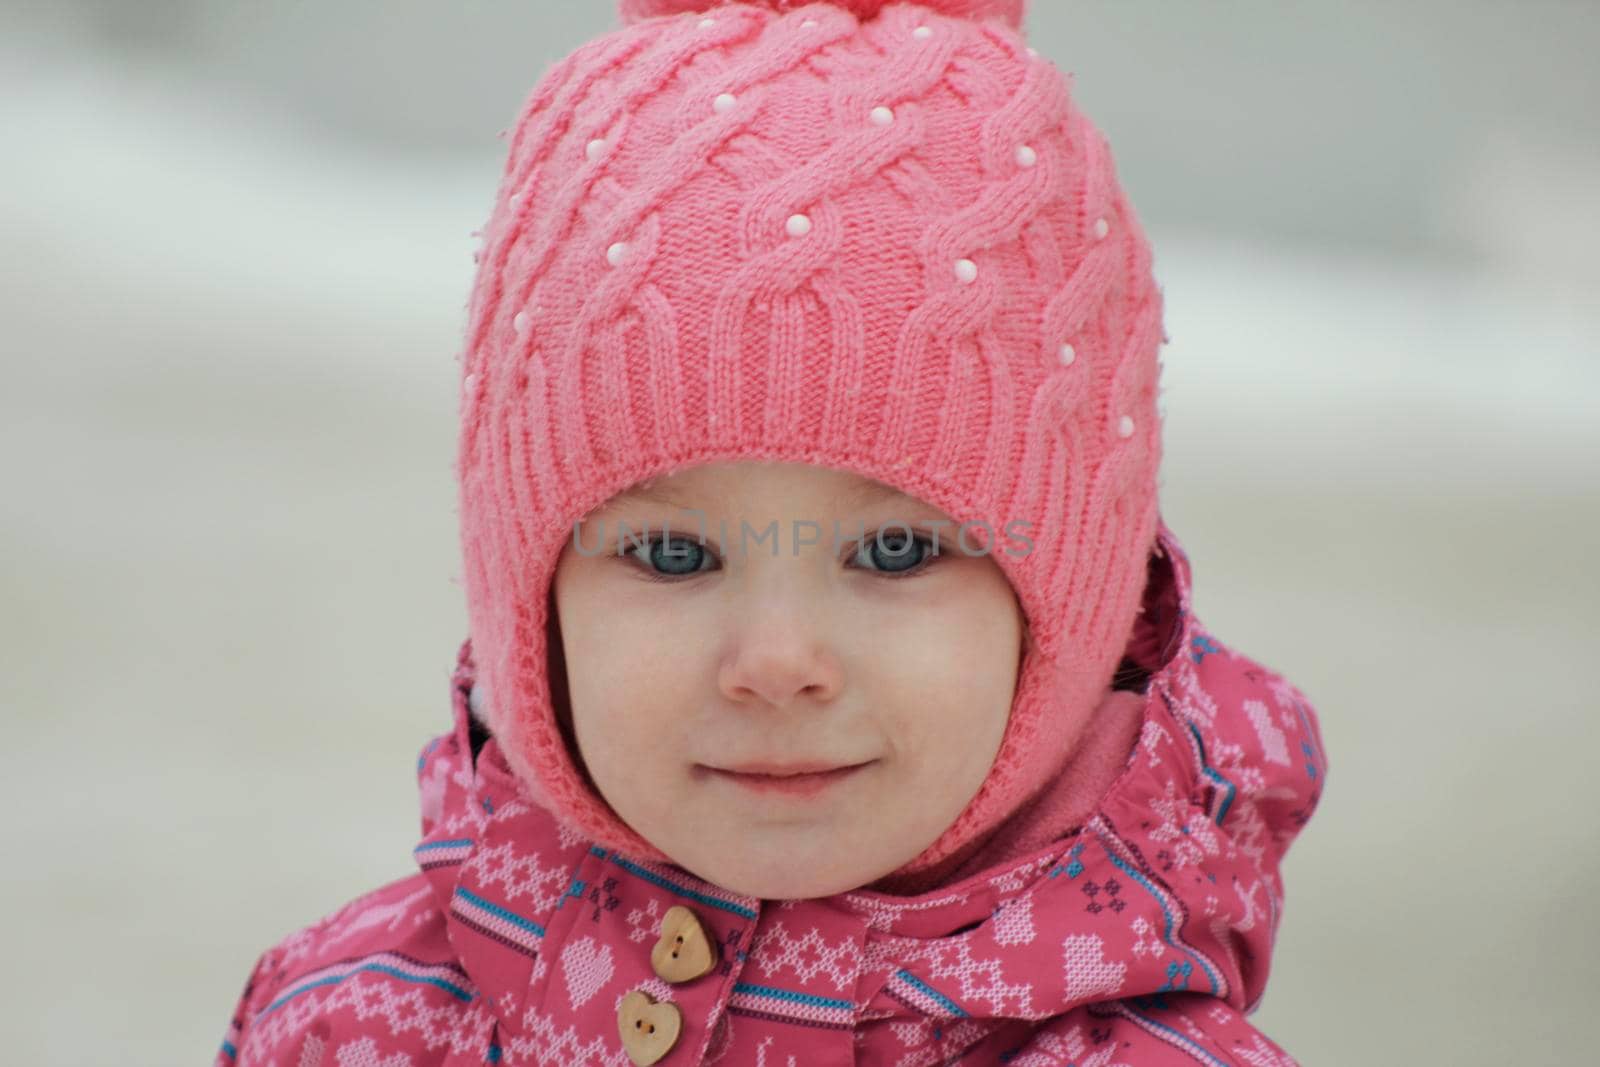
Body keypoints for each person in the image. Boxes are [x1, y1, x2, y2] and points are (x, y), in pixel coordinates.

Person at [215, 1, 1329, 1063]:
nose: (777, 662)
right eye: (670, 554)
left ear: (1074, 611)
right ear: (530, 604)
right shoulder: (345, 1027)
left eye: (895, 551)